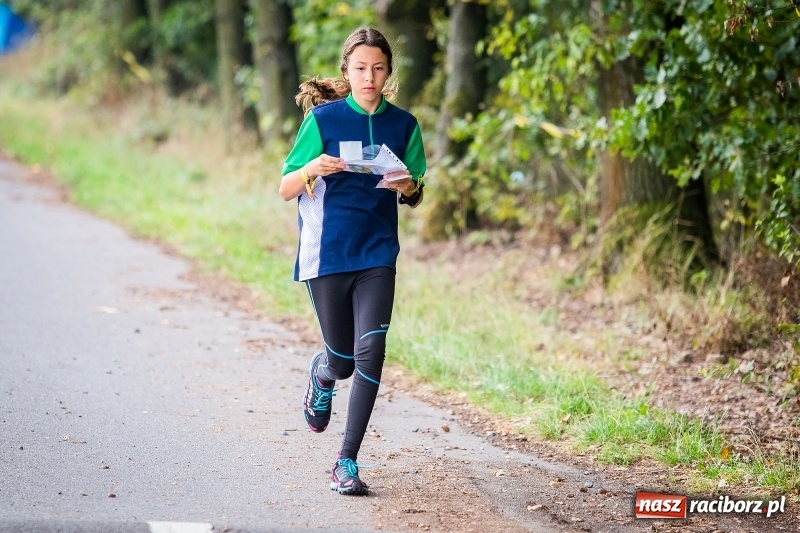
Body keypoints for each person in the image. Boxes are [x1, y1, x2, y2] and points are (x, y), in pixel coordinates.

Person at [278, 27, 426, 496]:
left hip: (378, 253)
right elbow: (284, 187)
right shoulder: (323, 121)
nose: (369, 77)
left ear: (388, 73)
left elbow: (417, 189)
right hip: (327, 253)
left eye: (378, 68)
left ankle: (346, 460)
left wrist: (408, 186)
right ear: (347, 71)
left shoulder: (404, 125)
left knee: (372, 352)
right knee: (342, 360)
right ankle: (322, 373)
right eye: (360, 68)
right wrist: (310, 169)